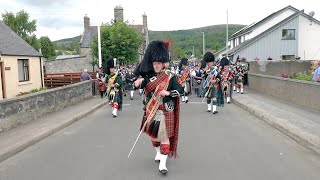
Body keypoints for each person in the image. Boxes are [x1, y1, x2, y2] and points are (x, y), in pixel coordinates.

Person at [133, 40, 182, 174]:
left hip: (166, 110)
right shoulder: (148, 78)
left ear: (163, 64)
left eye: (158, 64)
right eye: (154, 64)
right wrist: (138, 82)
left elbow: (180, 90)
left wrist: (168, 92)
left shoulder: (171, 77)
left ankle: (163, 164)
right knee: (154, 137)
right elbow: (140, 84)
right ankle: (158, 153)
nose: (156, 66)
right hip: (152, 110)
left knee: (165, 137)